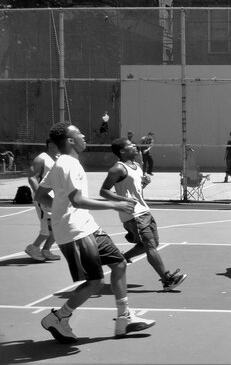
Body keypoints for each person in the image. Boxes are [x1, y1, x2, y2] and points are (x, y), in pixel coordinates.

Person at [35, 122, 155, 343]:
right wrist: (114, 205)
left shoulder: (63, 163)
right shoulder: (68, 164)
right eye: (79, 133)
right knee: (95, 282)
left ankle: (124, 318)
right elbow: (77, 200)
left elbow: (41, 196)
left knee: (119, 263)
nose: (83, 135)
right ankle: (59, 317)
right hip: (76, 232)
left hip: (87, 226)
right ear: (70, 141)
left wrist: (60, 210)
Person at [100, 137, 187, 291]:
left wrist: (143, 184)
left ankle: (122, 258)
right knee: (150, 245)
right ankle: (167, 279)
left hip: (144, 210)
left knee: (152, 244)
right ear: (122, 151)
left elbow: (135, 189)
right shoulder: (118, 169)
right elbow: (104, 191)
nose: (134, 146)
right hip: (133, 214)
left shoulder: (137, 165)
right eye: (130, 145)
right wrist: (122, 199)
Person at [24, 139, 61, 262]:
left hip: (53, 197)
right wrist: (39, 194)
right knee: (47, 230)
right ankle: (33, 247)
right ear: (50, 145)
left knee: (58, 226)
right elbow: (31, 177)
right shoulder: (41, 159)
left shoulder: (57, 158)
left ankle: (46, 250)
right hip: (43, 199)